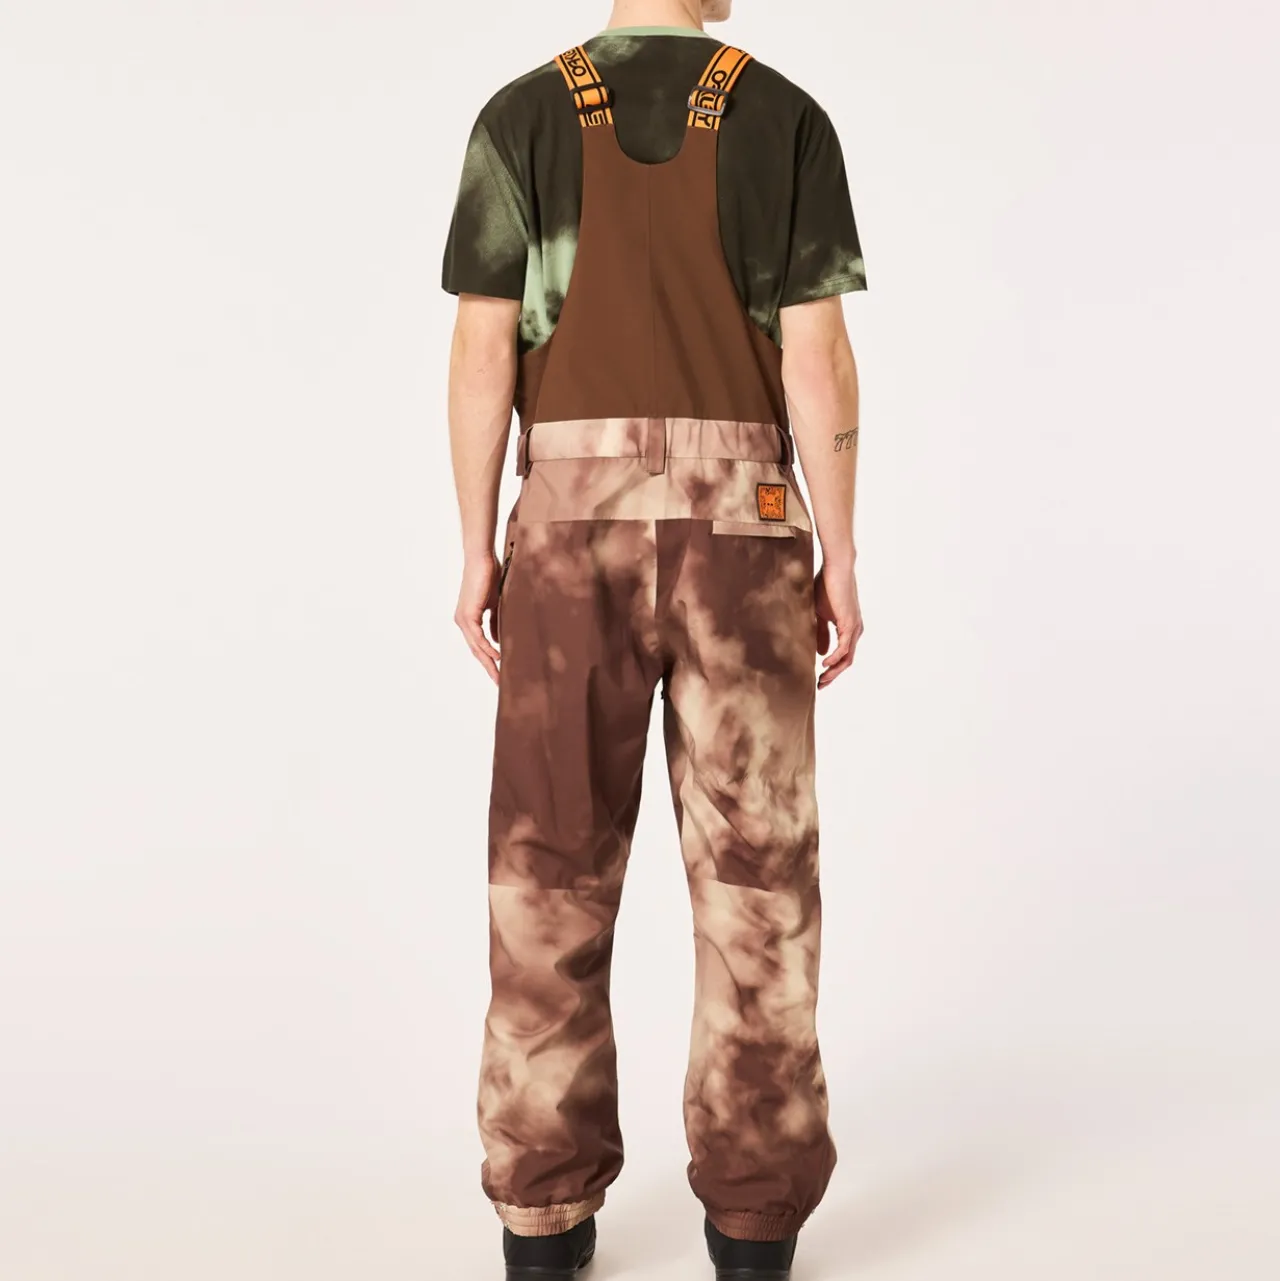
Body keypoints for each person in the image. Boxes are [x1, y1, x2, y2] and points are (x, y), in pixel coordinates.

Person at [443, 1, 865, 1276]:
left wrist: (477, 545)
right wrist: (840, 548)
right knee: (756, 884)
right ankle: (754, 1225)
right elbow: (815, 357)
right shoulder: (782, 119)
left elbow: (481, 352)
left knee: (547, 877)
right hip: (745, 543)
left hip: (566, 543)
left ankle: (542, 1221)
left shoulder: (521, 117)